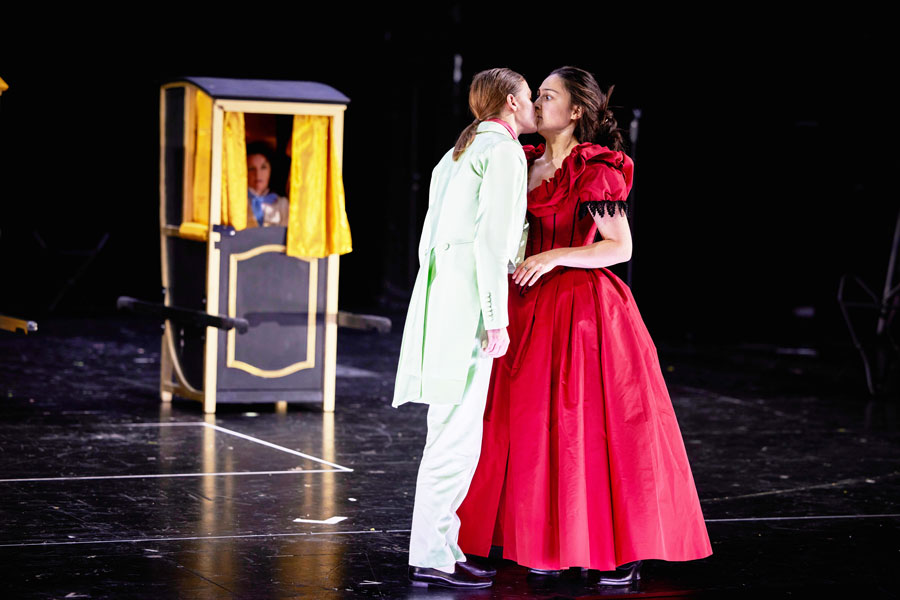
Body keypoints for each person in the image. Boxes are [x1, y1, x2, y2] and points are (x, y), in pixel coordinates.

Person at [456, 66, 713, 585]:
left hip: (583, 312)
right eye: (537, 96)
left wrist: (554, 258)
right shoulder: (520, 160)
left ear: (575, 111)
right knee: (523, 429)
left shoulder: (594, 168)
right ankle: (524, 539)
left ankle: (614, 549)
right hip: (527, 308)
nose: (536, 104)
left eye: (547, 96)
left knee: (586, 432)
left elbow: (620, 247)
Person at [392, 67, 537, 589]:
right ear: (513, 104)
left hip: (441, 300)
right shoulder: (501, 152)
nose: (534, 104)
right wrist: (496, 318)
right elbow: (492, 244)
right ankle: (433, 554)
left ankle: (439, 549)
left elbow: (427, 241)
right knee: (456, 437)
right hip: (468, 305)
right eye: (529, 96)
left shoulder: (456, 152)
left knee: (449, 433)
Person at [246, 141, 289, 227]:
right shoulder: (238, 204)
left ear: (271, 170)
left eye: (263, 167)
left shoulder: (282, 204)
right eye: (251, 168)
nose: (258, 174)